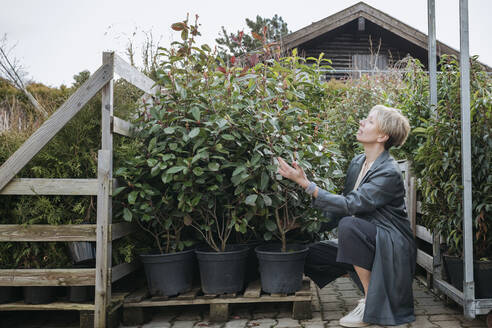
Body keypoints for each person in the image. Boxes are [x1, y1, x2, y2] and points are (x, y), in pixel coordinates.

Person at [277, 105, 416, 327]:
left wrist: (306, 184)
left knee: (349, 226)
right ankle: (371, 284)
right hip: (367, 238)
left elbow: (352, 204)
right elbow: (341, 206)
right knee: (309, 255)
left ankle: (372, 304)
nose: (362, 122)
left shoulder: (388, 171)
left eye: (370, 121)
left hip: (389, 242)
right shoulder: (357, 163)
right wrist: (305, 226)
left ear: (382, 136)